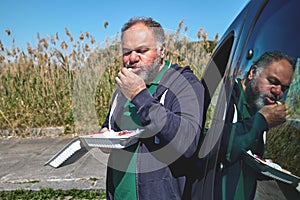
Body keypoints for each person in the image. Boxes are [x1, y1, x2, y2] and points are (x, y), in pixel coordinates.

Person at [100, 17, 205, 200]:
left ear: (162, 50)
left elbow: (188, 143)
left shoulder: (185, 84)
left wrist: (140, 96)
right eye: (127, 52)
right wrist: (105, 135)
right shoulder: (123, 87)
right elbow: (112, 126)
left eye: (142, 50)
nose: (132, 58)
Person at [215, 51, 296, 200]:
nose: (278, 92)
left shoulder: (258, 106)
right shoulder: (224, 95)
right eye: (273, 81)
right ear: (253, 72)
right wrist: (261, 121)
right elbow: (214, 146)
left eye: (284, 88)